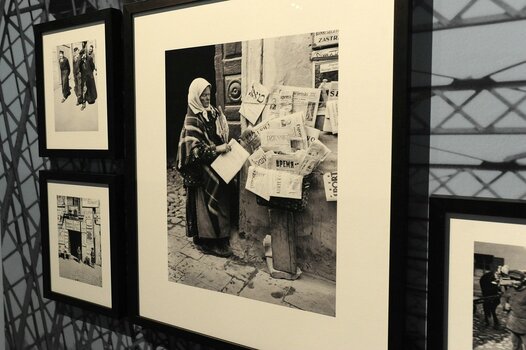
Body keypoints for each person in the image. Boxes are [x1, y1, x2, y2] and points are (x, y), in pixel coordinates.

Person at [176, 78, 233, 257]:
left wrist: (224, 136)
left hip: (214, 163)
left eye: (209, 95)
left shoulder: (213, 112)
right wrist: (218, 148)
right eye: (203, 96)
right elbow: (195, 152)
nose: (208, 99)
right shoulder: (191, 119)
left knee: (223, 190)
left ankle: (221, 236)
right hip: (199, 170)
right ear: (196, 97)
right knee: (203, 206)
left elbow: (218, 135)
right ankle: (207, 240)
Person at [504, 270, 526, 350]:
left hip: (524, 325)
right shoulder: (511, 289)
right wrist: (505, 304)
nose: (514, 282)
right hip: (513, 324)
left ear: (523, 280)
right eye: (512, 279)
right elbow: (504, 297)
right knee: (515, 346)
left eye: (517, 280)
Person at [79, 46, 97, 110]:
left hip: (89, 76)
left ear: (85, 53)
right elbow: (80, 69)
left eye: (83, 54)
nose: (83, 56)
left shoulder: (89, 58)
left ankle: (90, 99)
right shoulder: (81, 61)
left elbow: (92, 66)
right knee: (84, 90)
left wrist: (90, 73)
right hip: (84, 77)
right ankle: (83, 104)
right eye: (81, 55)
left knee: (90, 89)